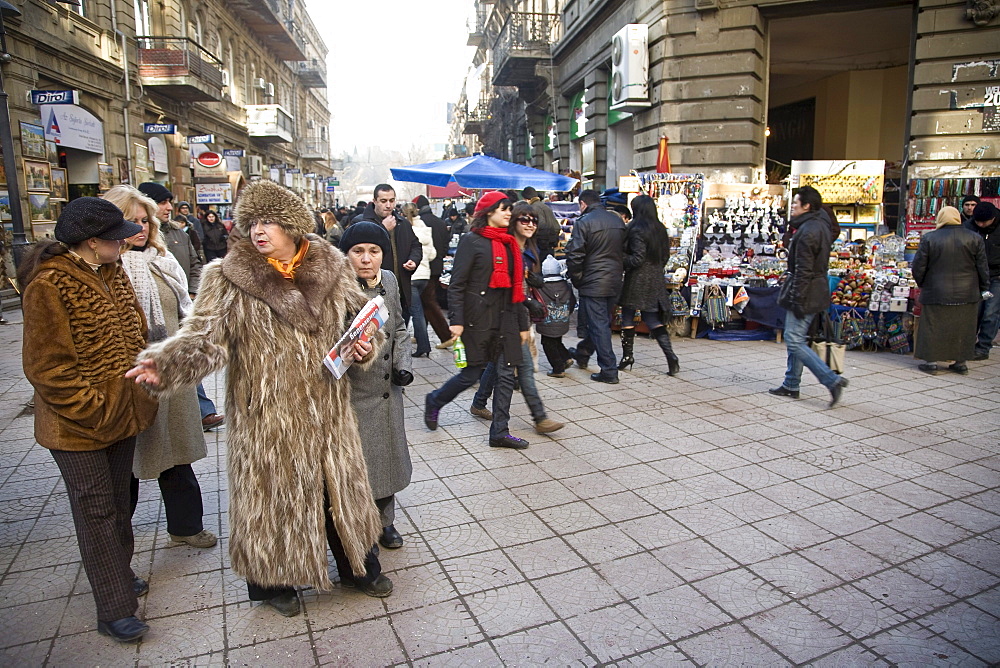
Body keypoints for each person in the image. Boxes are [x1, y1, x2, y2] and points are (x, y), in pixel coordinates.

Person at [126, 181, 392, 618]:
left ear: (292, 225)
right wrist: (166, 364)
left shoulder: (331, 264)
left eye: (269, 221)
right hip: (266, 412)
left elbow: (364, 319)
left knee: (337, 490)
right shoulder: (228, 277)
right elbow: (205, 338)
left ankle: (358, 566)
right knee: (274, 496)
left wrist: (365, 345)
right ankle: (272, 582)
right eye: (251, 222)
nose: (258, 231)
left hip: (327, 406)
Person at [20, 197, 157, 642]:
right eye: (116, 238)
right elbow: (47, 368)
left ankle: (117, 572)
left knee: (119, 502)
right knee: (95, 509)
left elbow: (136, 330)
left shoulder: (113, 271)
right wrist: (92, 409)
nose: (126, 242)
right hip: (76, 425)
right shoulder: (48, 285)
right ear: (92, 242)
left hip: (122, 412)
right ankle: (114, 607)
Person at [103, 185, 217, 550]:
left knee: (177, 455)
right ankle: (116, 546)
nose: (140, 228)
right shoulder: (104, 267)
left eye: (144, 220)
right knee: (125, 469)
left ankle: (186, 526)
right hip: (128, 378)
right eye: (130, 221)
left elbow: (185, 313)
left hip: (170, 375)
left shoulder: (164, 262)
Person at [424, 191, 532, 450]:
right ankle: (435, 400)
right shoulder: (471, 241)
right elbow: (457, 284)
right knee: (471, 373)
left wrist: (523, 325)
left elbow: (515, 288)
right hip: (477, 319)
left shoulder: (509, 244)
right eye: (503, 208)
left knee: (506, 375)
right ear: (489, 212)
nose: (509, 213)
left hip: (506, 318)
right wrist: (457, 320)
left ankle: (499, 432)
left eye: (509, 208)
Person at [339, 222, 413, 551]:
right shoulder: (336, 290)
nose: (366, 259)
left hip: (388, 390)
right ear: (346, 255)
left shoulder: (391, 281)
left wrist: (403, 366)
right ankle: (361, 524)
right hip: (355, 393)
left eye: (374, 251)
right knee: (362, 464)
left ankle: (386, 522)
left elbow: (399, 326)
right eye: (358, 252)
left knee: (388, 459)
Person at [469, 202, 564, 435]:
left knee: (499, 363)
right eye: (524, 219)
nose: (530, 224)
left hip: (519, 316)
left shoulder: (529, 248)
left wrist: (533, 280)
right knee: (522, 368)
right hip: (505, 317)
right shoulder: (502, 247)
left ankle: (479, 402)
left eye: (534, 220)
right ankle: (538, 418)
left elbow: (525, 278)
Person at [136, 182, 223, 431]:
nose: (168, 207)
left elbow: (196, 261)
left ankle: (203, 412)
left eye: (169, 202)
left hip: (183, 305)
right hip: (155, 314)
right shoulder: (137, 241)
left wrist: (194, 291)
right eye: (162, 202)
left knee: (186, 356)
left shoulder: (179, 232)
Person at [770, 186, 849, 407]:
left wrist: (796, 298)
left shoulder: (808, 231)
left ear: (807, 206)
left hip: (806, 291)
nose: (792, 206)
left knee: (794, 340)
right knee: (798, 338)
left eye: (795, 203)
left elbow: (803, 270)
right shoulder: (819, 225)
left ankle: (832, 380)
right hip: (815, 288)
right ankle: (791, 384)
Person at [913, 205, 989, 374]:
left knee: (933, 325)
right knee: (964, 327)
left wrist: (922, 283)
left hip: (936, 290)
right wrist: (983, 288)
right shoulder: (974, 238)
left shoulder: (930, 238)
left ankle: (931, 362)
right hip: (967, 292)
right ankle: (960, 363)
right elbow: (982, 267)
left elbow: (919, 266)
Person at [565, 189, 627, 384]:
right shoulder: (617, 220)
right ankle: (583, 352)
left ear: (583, 204)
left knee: (599, 324)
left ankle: (609, 369)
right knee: (600, 321)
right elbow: (625, 251)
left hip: (593, 281)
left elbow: (574, 255)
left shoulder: (584, 223)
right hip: (614, 279)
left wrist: (578, 279)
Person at [618, 194, 680, 375]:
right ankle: (670, 356)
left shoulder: (636, 229)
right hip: (656, 279)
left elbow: (637, 259)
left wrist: (620, 257)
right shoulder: (660, 229)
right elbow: (665, 256)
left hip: (638, 279)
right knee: (653, 319)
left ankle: (627, 356)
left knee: (628, 316)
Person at [354, 184, 421, 313]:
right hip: (372, 291)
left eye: (392, 200)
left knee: (400, 329)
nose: (389, 205)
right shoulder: (360, 223)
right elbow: (357, 251)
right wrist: (383, 229)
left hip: (401, 289)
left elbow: (416, 245)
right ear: (374, 202)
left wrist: (414, 259)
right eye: (383, 201)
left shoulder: (402, 223)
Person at [414, 195, 453, 346]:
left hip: (425, 267)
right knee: (425, 301)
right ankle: (421, 334)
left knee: (429, 302)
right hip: (437, 266)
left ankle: (445, 335)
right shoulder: (440, 221)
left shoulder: (420, 223)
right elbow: (445, 245)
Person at [963, 202, 1000, 360]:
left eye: (984, 222)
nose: (981, 225)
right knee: (973, 312)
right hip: (975, 275)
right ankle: (967, 345)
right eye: (978, 221)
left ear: (993, 218)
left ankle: (983, 347)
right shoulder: (969, 227)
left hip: (996, 275)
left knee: (991, 313)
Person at [401, 202, 436, 357]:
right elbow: (432, 254)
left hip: (412, 276)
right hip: (424, 276)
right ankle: (399, 339)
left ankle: (424, 346)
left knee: (416, 312)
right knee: (408, 309)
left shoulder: (406, 230)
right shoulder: (425, 229)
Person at [536, 256, 576, 377]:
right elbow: (573, 301)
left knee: (548, 343)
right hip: (562, 319)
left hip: (547, 322)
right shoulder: (566, 285)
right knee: (557, 340)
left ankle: (558, 368)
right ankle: (566, 357)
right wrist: (567, 313)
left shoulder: (540, 287)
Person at [521, 186, 561, 261]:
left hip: (541, 246)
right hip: (550, 245)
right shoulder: (545, 206)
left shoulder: (533, 208)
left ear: (526, 199)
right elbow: (557, 226)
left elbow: (541, 225)